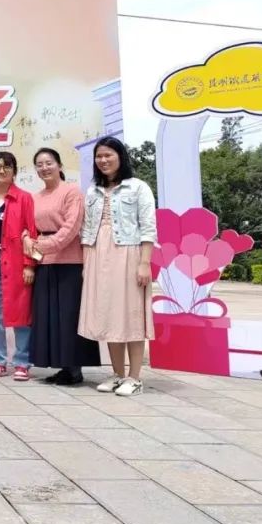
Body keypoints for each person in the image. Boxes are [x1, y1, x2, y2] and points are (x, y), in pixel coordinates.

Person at [78, 136, 156, 396]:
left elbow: (148, 227)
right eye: (99, 156)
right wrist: (87, 262)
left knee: (131, 315)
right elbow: (87, 229)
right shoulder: (92, 191)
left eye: (108, 155)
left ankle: (135, 377)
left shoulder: (138, 187)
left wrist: (144, 263)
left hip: (128, 253)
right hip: (98, 254)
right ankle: (117, 374)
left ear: (120, 157)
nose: (103, 160)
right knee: (109, 314)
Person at [23, 148, 101, 385]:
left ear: (59, 166)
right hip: (44, 262)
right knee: (49, 317)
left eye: (49, 163)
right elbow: (27, 226)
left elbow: (71, 228)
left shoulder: (72, 191)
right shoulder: (34, 197)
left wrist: (41, 244)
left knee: (69, 316)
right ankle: (61, 366)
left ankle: (74, 368)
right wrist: (27, 238)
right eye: (39, 164)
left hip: (69, 262)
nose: (44, 168)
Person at [0, 151, 37, 381]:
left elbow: (31, 232)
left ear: (15, 171)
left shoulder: (24, 198)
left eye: (7, 167)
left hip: (15, 260)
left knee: (21, 312)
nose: (1, 170)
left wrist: (29, 265)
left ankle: (22, 362)